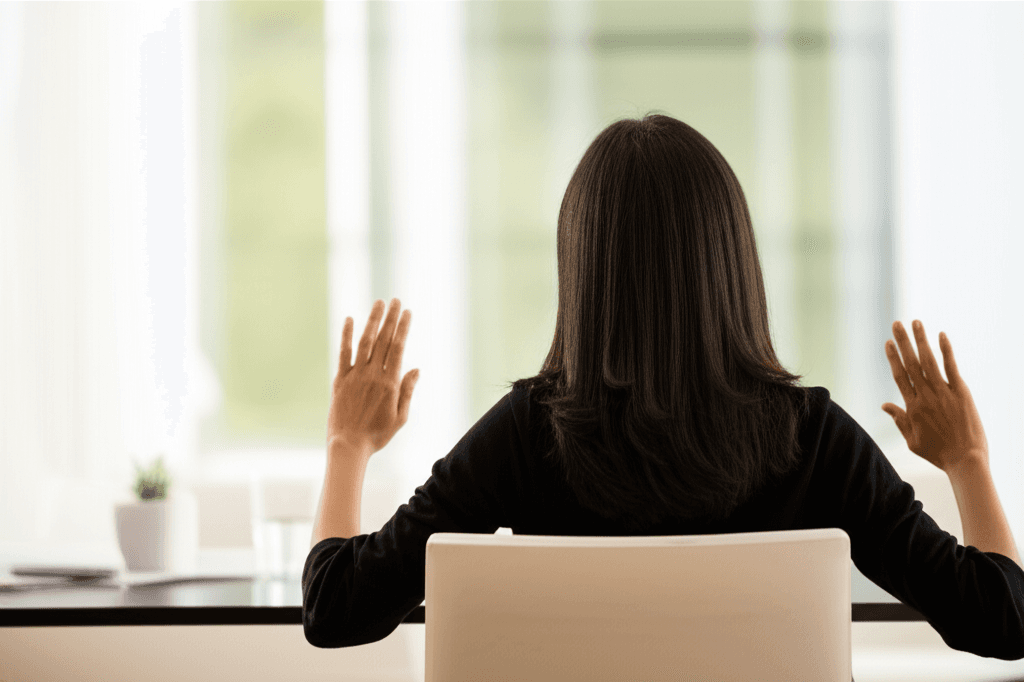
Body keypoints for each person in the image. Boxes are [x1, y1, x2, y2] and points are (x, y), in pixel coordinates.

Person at [302, 114, 1024, 660]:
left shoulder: (528, 433)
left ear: (582, 272)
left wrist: (347, 445)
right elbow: (1004, 619)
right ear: (732, 262)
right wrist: (967, 460)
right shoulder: (815, 437)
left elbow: (336, 609)